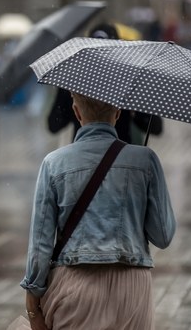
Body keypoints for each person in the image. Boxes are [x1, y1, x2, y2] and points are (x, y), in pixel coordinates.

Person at [21, 93, 176, 329]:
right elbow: (162, 236)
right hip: (131, 290)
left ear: (76, 111)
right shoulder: (145, 160)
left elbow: (40, 242)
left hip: (75, 286)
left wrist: (33, 304)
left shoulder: (53, 164)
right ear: (117, 112)